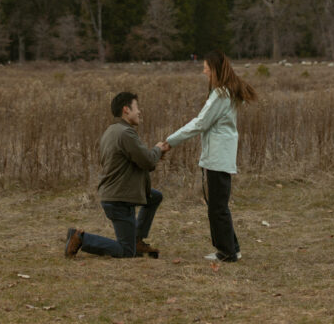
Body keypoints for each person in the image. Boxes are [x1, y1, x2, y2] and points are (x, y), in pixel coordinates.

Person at [164, 51, 257, 263]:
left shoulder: (221, 95)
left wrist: (170, 141)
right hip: (219, 155)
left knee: (217, 207)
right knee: (218, 205)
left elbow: (200, 123)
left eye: (206, 68)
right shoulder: (225, 93)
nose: (204, 71)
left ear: (215, 69)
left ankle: (227, 253)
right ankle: (231, 248)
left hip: (218, 157)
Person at [65, 90, 166, 259]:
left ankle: (137, 240)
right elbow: (147, 162)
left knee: (154, 196)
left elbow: (136, 160)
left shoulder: (111, 131)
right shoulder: (126, 133)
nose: (139, 111)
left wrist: (155, 154)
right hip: (119, 199)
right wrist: (158, 149)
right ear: (126, 109)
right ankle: (81, 238)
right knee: (126, 251)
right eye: (136, 107)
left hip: (116, 194)